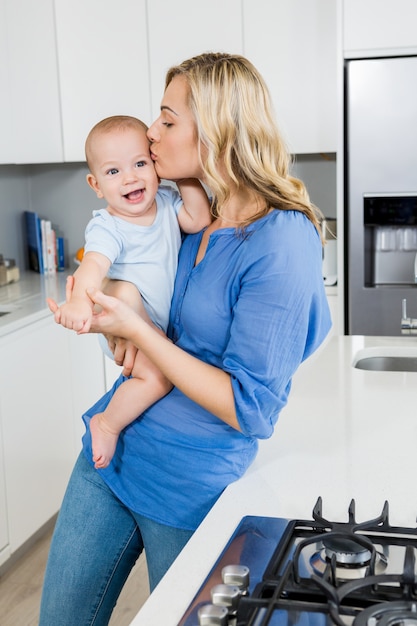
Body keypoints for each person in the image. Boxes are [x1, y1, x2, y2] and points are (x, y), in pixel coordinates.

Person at [39, 52, 331, 625]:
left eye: (168, 120)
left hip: (189, 489)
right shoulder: (195, 212)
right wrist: (118, 295)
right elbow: (142, 283)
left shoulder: (281, 239)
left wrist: (139, 332)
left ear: (219, 130)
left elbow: (249, 408)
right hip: (110, 459)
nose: (151, 132)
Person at [50, 115, 211, 469]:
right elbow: (93, 265)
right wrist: (78, 301)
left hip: (148, 322)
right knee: (158, 378)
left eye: (140, 163)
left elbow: (199, 218)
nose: (130, 177)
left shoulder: (167, 201)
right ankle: (107, 423)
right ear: (95, 184)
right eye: (113, 172)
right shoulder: (109, 226)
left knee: (160, 371)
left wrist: (180, 171)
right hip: (124, 322)